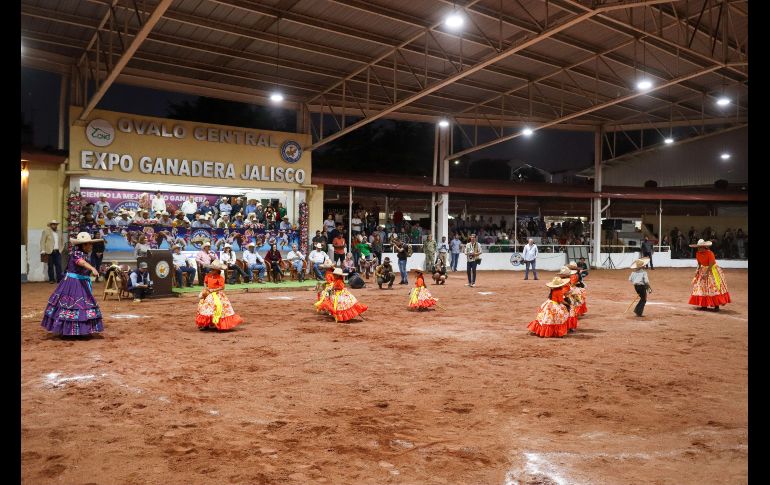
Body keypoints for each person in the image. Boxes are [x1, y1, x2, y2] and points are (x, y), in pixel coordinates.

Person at [40, 232, 104, 336]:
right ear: (83, 245)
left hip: (81, 282)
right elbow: (81, 262)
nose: (91, 246)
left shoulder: (84, 254)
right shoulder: (76, 254)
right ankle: (70, 330)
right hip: (73, 283)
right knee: (74, 304)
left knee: (80, 305)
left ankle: (79, 330)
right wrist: (92, 268)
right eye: (89, 244)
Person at [195, 260, 243, 331]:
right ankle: (206, 324)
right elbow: (205, 283)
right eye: (212, 269)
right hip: (209, 293)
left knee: (218, 308)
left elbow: (222, 287)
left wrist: (213, 290)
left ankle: (216, 323)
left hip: (217, 294)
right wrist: (206, 288)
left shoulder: (220, 278)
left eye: (213, 270)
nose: (212, 271)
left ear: (217, 270)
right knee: (205, 308)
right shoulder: (207, 276)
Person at [688, 238, 731, 311]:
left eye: (700, 247)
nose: (698, 249)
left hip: (712, 271)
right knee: (702, 287)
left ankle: (716, 306)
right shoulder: (698, 254)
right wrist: (698, 270)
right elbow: (699, 263)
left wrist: (706, 273)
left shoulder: (710, 253)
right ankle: (704, 305)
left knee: (713, 287)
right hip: (703, 270)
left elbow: (711, 264)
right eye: (698, 247)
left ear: (704, 247)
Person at [40, 219, 63, 283]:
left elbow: (62, 241)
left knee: (58, 265)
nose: (54, 226)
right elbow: (42, 241)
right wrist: (43, 250)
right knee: (50, 266)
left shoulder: (59, 231)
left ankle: (59, 279)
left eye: (55, 224)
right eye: (53, 224)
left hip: (58, 251)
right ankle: (51, 279)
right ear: (50, 225)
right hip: (49, 251)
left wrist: (61, 249)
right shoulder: (46, 231)